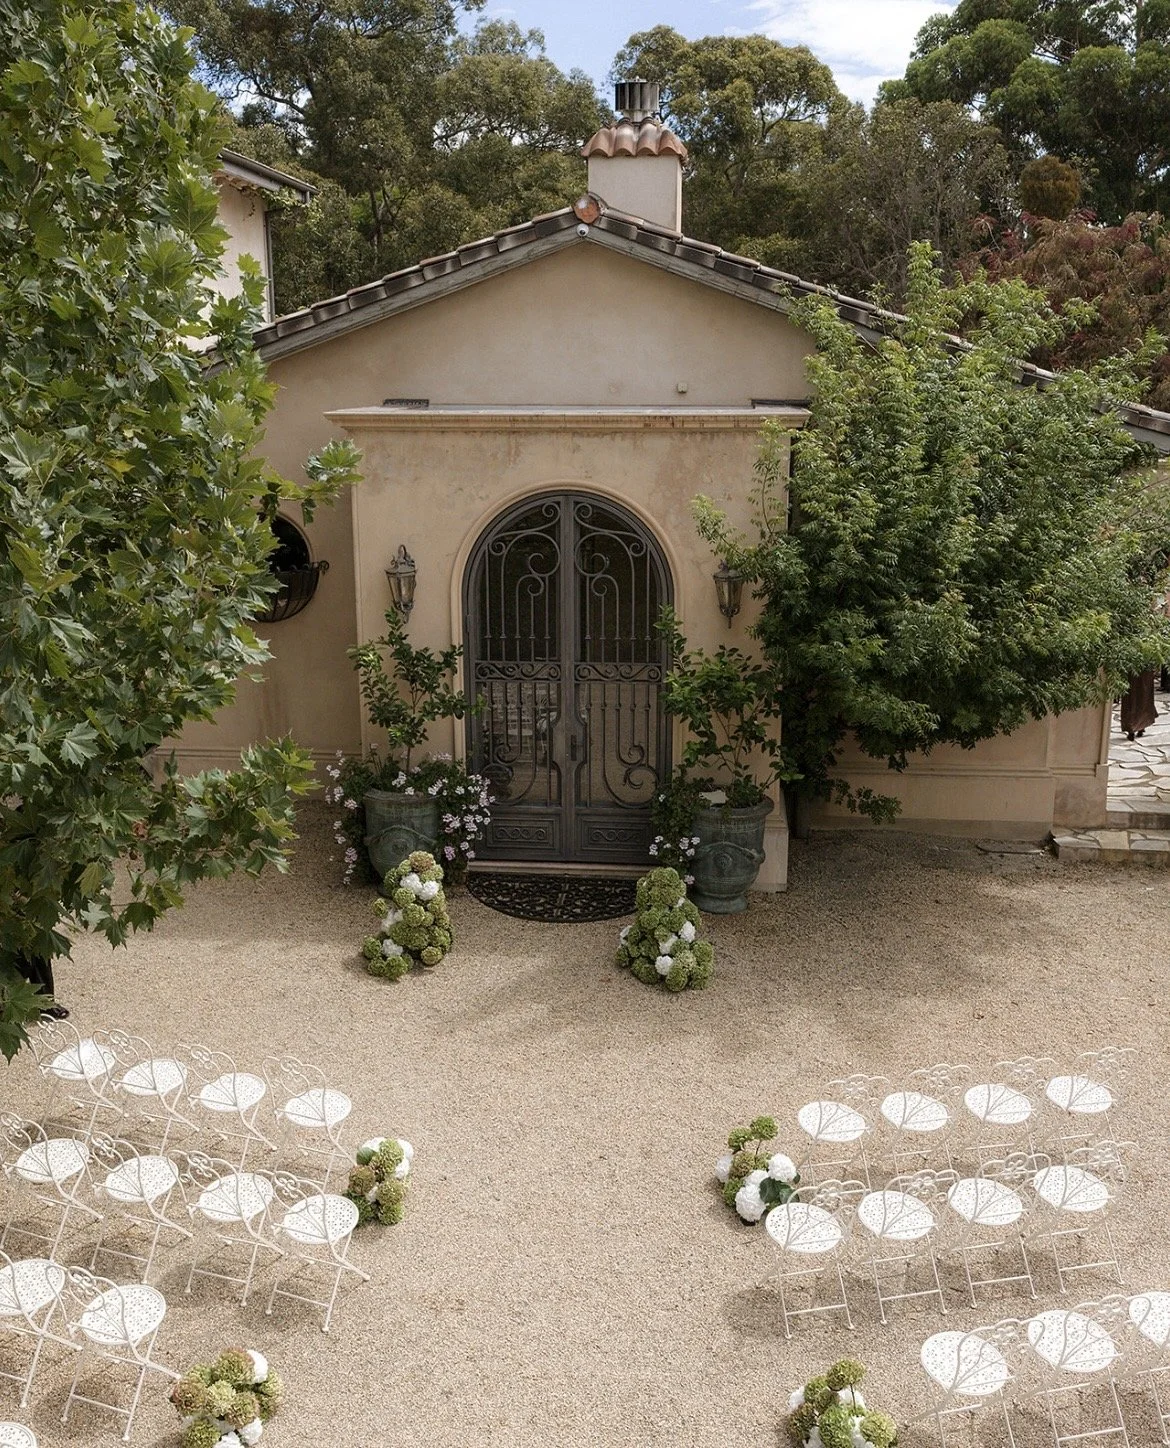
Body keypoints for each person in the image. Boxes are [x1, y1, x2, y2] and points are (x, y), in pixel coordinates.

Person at [1120, 668, 1158, 741]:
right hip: (1142, 669)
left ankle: (1132, 728)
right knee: (1143, 696)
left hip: (1135, 669)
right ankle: (1139, 726)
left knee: (1132, 698)